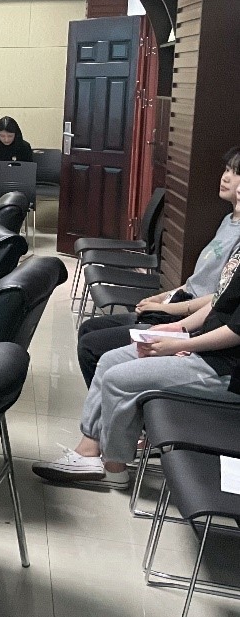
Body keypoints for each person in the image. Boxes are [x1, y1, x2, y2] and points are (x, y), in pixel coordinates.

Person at [32, 234, 240, 489]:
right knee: (109, 361)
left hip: (224, 370)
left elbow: (235, 332)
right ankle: (88, 450)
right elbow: (217, 303)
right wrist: (177, 329)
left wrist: (181, 345)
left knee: (118, 380)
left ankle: (114, 468)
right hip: (201, 345)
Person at [76, 151, 240, 386]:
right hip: (181, 308)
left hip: (191, 317)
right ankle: (105, 397)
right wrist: (162, 298)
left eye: (236, 173)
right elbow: (196, 282)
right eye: (226, 170)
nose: (226, 177)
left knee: (92, 348)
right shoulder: (227, 221)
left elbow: (218, 299)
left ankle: (116, 396)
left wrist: (168, 312)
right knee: (89, 330)